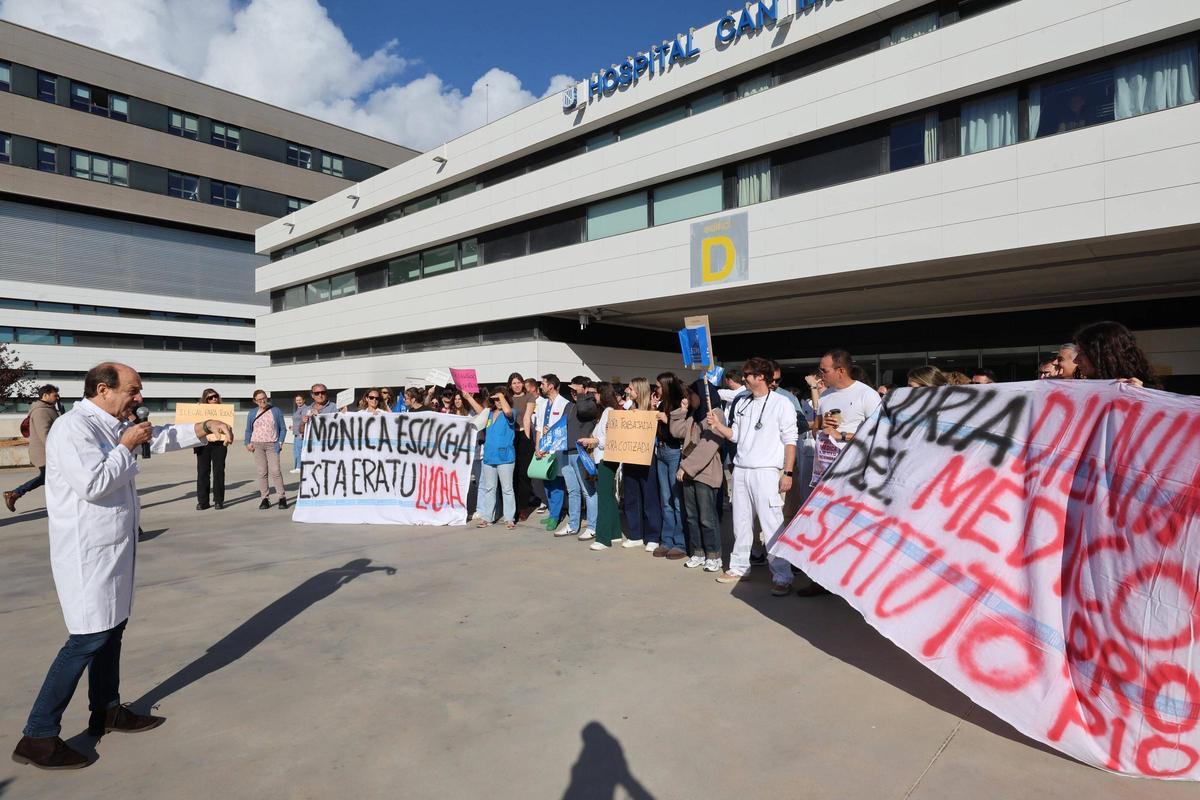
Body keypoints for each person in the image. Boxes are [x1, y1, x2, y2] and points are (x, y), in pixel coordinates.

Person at [11, 362, 233, 771]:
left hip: (114, 549)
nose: (139, 398)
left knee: (112, 629)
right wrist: (127, 445)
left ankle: (107, 710)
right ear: (102, 389)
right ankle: (38, 734)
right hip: (86, 553)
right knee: (87, 637)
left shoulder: (114, 422)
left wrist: (203, 427)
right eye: (133, 390)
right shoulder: (73, 428)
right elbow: (93, 484)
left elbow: (158, 437)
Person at [706, 357, 797, 595]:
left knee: (772, 524)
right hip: (742, 470)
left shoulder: (781, 403)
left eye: (748, 374)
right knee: (741, 522)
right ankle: (739, 567)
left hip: (767, 472)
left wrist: (787, 472)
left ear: (761, 377)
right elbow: (735, 435)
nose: (743, 377)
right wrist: (717, 425)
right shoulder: (742, 401)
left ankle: (782, 575)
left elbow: (790, 441)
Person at [802, 349, 882, 597]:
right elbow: (816, 429)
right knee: (822, 528)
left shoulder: (866, 395)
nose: (820, 375)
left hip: (853, 476)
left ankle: (853, 583)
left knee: (851, 530)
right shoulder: (826, 397)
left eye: (823, 370)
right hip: (824, 475)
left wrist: (843, 435)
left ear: (840, 371)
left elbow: (880, 434)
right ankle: (821, 579)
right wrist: (821, 429)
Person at [671, 380, 725, 572]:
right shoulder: (694, 415)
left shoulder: (716, 414)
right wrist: (682, 411)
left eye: (690, 394)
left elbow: (708, 447)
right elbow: (676, 431)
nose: (688, 398)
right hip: (689, 473)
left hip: (705, 473)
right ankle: (698, 552)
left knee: (707, 517)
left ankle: (714, 555)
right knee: (692, 516)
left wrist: (686, 467)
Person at [464, 385, 517, 529]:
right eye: (495, 399)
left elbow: (507, 411)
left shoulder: (511, 411)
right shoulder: (489, 413)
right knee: (489, 488)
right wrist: (469, 397)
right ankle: (487, 517)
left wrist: (500, 395)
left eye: (501, 399)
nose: (498, 401)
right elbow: (480, 411)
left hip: (505, 457)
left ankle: (509, 518)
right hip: (489, 456)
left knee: (507, 488)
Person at [579, 383, 623, 551]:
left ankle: (603, 538)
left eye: (596, 394)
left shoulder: (609, 412)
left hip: (606, 458)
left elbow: (609, 438)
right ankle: (615, 532)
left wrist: (593, 441)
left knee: (604, 497)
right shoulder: (606, 412)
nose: (594, 397)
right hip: (604, 458)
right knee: (609, 496)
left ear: (602, 394)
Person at [5, 384, 61, 513]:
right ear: (45, 395)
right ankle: (14, 494)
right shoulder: (41, 411)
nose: (57, 397)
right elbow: (45, 434)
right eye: (54, 394)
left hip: (46, 452)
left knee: (49, 478)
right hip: (44, 453)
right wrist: (58, 451)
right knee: (48, 478)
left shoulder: (48, 408)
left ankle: (14, 494)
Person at [621, 377, 661, 551]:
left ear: (638, 390)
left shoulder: (652, 409)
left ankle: (653, 536)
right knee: (631, 496)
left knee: (649, 496)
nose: (628, 391)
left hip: (647, 457)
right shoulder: (628, 408)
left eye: (630, 388)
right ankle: (635, 534)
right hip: (630, 456)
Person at [652, 372, 688, 559]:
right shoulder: (660, 403)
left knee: (676, 500)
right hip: (661, 450)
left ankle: (680, 542)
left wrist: (667, 420)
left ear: (666, 386)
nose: (655, 389)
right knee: (665, 499)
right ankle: (667, 540)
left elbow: (683, 432)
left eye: (658, 386)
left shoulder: (679, 404)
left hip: (674, 452)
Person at [534, 374, 572, 534]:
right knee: (547, 481)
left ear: (551, 386)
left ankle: (555, 516)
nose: (541, 386)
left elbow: (564, 428)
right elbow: (538, 428)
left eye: (543, 383)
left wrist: (552, 434)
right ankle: (552, 512)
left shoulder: (565, 404)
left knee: (556, 482)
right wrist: (537, 446)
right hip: (543, 448)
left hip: (556, 449)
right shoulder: (542, 404)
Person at [1072, 321, 1161, 387]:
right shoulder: (1082, 390)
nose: (1075, 360)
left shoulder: (1149, 393)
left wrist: (1143, 395)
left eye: (1083, 353)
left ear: (1106, 355)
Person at [563, 378, 599, 540]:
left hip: (582, 452)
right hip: (567, 452)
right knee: (572, 491)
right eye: (571, 389)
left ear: (584, 389)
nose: (572, 392)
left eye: (575, 389)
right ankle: (573, 524)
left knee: (588, 491)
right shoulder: (570, 406)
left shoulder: (590, 403)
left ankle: (592, 526)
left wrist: (581, 394)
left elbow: (585, 412)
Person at [244, 389, 288, 510]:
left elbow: (283, 428)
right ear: (255, 401)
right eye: (259, 399)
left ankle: (281, 497)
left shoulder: (276, 411)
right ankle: (265, 498)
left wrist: (280, 442)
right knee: (262, 472)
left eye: (264, 398)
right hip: (257, 445)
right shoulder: (252, 413)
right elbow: (248, 430)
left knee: (275, 471)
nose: (262, 400)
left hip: (272, 445)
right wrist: (247, 442)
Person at [193, 388, 229, 511]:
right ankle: (203, 501)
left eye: (215, 396)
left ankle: (218, 500)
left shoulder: (224, 411)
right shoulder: (199, 411)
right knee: (202, 472)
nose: (214, 399)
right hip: (203, 443)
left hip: (219, 443)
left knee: (218, 471)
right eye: (210, 397)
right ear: (205, 399)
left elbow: (229, 426)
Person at [508, 372, 537, 519]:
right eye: (514, 383)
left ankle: (523, 507)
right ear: (510, 385)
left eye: (519, 382)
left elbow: (527, 418)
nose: (517, 385)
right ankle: (512, 507)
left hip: (523, 435)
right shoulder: (507, 399)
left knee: (524, 474)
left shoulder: (529, 397)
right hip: (509, 437)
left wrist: (526, 438)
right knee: (512, 473)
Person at [289, 393, 306, 474]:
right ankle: (298, 467)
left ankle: (299, 467)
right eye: (297, 400)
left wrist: (302, 432)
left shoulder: (305, 409)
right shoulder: (298, 409)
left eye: (300, 400)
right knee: (296, 451)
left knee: (299, 451)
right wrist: (293, 427)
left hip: (300, 434)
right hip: (296, 434)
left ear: (303, 400)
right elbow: (298, 421)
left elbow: (304, 421)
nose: (298, 401)